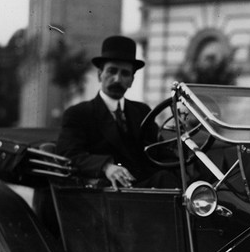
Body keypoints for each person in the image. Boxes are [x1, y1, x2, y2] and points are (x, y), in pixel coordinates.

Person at [56, 35, 169, 189]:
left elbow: (159, 152)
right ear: (99, 75)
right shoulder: (79, 114)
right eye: (112, 71)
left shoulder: (142, 112)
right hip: (105, 192)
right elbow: (68, 154)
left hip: (144, 188)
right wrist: (106, 167)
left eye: (125, 73)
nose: (117, 79)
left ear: (131, 80)